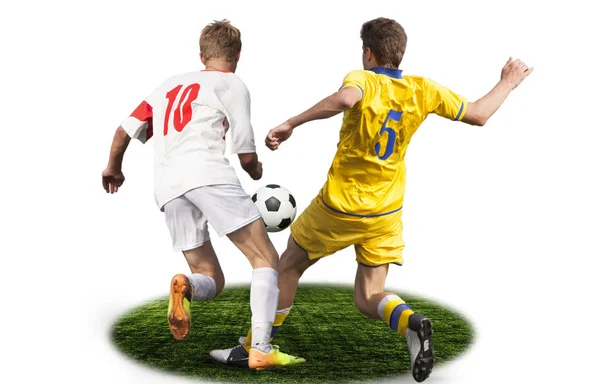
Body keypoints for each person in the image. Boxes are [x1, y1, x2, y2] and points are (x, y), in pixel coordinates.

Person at [209, 17, 532, 382]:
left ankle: (254, 347)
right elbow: (478, 113)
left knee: (287, 267)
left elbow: (346, 98)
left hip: (339, 208)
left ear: (368, 52)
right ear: (400, 52)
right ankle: (412, 322)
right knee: (369, 296)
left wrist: (291, 123)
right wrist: (508, 81)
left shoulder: (363, 79)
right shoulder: (422, 88)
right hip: (385, 213)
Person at [101, 19, 304, 370]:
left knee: (210, 277)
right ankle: (260, 348)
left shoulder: (168, 85)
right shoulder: (232, 83)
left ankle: (185, 287)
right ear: (237, 55)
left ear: (202, 55)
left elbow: (124, 130)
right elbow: (244, 151)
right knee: (265, 259)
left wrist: (113, 168)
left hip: (167, 186)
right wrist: (256, 169)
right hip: (207, 173)